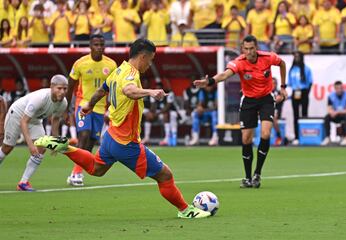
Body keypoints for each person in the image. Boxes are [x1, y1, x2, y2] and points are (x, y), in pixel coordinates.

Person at [35, 38, 210, 219]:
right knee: (165, 175)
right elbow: (129, 91)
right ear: (142, 57)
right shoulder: (131, 74)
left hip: (111, 136)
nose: (150, 65)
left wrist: (88, 106)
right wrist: (150, 92)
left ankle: (65, 147)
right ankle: (185, 210)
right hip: (127, 143)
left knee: (97, 169)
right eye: (150, 60)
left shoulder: (118, 70)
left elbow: (102, 90)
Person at [194, 35, 287, 188]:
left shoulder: (268, 57)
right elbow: (224, 75)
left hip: (266, 99)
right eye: (246, 49)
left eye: (252, 48)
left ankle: (257, 174)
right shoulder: (239, 62)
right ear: (243, 49)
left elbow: (282, 64)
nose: (249, 52)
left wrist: (283, 87)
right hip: (248, 101)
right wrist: (209, 81)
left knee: (265, 133)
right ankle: (247, 177)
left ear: (256, 47)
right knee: (246, 139)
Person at [65, 34, 117, 187]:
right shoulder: (80, 63)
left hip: (100, 109)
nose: (99, 47)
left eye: (101, 44)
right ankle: (76, 174)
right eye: (96, 44)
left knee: (91, 142)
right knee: (84, 135)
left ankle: (76, 172)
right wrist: (66, 108)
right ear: (90, 46)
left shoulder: (111, 64)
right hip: (83, 104)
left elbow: (113, 89)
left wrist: (111, 109)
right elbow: (70, 86)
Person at [0, 75, 68, 191]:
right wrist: (30, 145)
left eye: (65, 89)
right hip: (17, 115)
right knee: (7, 148)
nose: (62, 92)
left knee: (41, 148)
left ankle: (23, 183)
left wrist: (55, 142)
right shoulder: (40, 98)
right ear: (51, 87)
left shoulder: (63, 103)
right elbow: (24, 121)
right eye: (59, 88)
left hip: (35, 120)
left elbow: (55, 120)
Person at [288, 51, 313, 145]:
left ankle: (305, 136)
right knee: (295, 115)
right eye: (295, 56)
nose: (296, 58)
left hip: (304, 92)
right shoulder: (292, 69)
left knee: (304, 114)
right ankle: (297, 136)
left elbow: (310, 82)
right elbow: (290, 83)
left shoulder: (306, 69)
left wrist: (306, 93)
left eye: (298, 56)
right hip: (295, 92)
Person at [321, 81, 346, 146]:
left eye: (341, 88)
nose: (339, 90)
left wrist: (337, 112)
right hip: (337, 115)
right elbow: (329, 108)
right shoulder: (331, 96)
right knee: (327, 117)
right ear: (335, 89)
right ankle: (327, 137)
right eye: (337, 88)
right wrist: (332, 112)